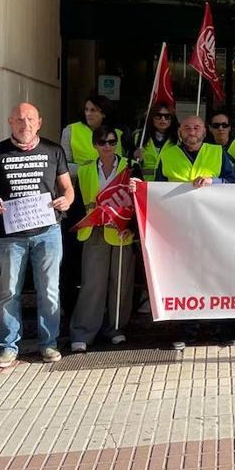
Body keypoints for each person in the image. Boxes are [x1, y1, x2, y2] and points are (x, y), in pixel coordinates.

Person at [0, 103, 74, 368]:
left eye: (31, 119)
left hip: (49, 232)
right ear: (10, 121)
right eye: (20, 120)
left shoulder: (54, 150)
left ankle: (49, 344)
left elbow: (67, 189)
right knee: (9, 292)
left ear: (39, 122)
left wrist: (65, 201)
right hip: (10, 235)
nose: (25, 124)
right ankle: (8, 347)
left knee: (49, 291)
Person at [156, 115, 235, 349]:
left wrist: (215, 181)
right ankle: (186, 331)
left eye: (197, 127)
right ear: (179, 130)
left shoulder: (217, 152)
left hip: (214, 227)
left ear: (204, 131)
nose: (192, 131)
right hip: (180, 227)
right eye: (188, 127)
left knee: (217, 278)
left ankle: (221, 330)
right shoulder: (168, 154)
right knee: (184, 279)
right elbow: (156, 187)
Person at [70, 124, 134, 353]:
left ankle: (116, 328)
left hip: (121, 230)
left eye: (112, 142)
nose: (107, 146)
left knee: (120, 283)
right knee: (92, 284)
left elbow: (140, 201)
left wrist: (133, 228)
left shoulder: (130, 168)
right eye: (102, 142)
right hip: (94, 229)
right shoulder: (85, 171)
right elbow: (77, 203)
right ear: (94, 145)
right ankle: (83, 331)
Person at [61, 95, 121, 178]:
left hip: (109, 185)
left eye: (93, 110)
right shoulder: (70, 130)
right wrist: (86, 168)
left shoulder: (115, 133)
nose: (88, 114)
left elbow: (120, 164)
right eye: (86, 110)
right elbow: (63, 166)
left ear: (104, 114)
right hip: (81, 183)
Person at [132, 102, 178, 180]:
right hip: (145, 184)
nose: (163, 119)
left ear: (172, 119)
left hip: (170, 184)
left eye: (167, 116)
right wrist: (134, 157)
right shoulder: (138, 136)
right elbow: (126, 162)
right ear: (151, 118)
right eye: (158, 116)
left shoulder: (180, 138)